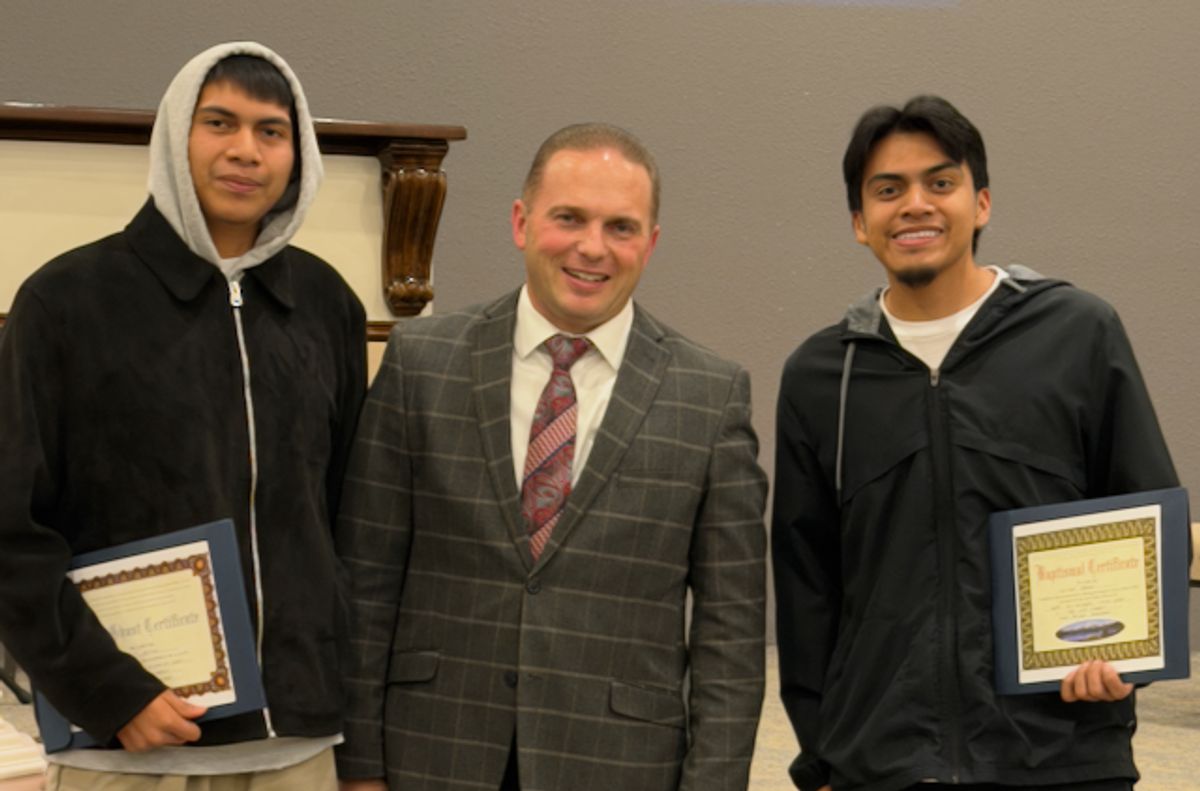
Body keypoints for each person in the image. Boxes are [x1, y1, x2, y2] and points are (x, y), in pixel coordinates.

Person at [335, 123, 768, 791]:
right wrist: (359, 768)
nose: (592, 247)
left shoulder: (710, 396)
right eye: (569, 217)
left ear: (650, 244)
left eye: (621, 227)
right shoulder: (422, 362)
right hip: (430, 756)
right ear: (522, 221)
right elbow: (365, 583)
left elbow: (730, 638)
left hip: (619, 766)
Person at [772, 95, 1178, 791]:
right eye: (887, 189)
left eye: (941, 182)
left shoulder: (1077, 333)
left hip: (1062, 758)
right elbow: (806, 588)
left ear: (981, 202)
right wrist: (821, 760)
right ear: (858, 223)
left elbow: (1141, 512)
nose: (915, 205)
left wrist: (1126, 662)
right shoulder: (821, 375)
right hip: (884, 767)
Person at [0, 42, 365, 789]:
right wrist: (109, 691)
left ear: (299, 153)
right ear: (175, 135)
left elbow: (351, 520)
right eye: (219, 122)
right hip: (128, 747)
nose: (245, 151)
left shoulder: (328, 306)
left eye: (271, 130)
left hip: (297, 745)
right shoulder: (66, 301)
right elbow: (8, 528)